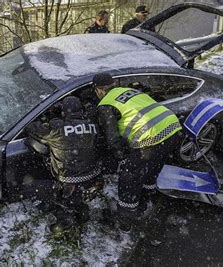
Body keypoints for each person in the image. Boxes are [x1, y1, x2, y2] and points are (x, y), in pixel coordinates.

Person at [92, 72, 182, 232]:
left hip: (150, 138)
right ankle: (147, 199)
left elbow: (113, 140)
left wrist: (122, 157)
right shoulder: (129, 91)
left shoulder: (106, 104)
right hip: (172, 128)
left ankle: (125, 218)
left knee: (129, 176)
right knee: (152, 167)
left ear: (99, 90)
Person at [26, 96, 101, 234]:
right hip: (91, 177)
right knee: (75, 196)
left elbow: (31, 128)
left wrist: (50, 120)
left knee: (30, 188)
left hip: (68, 181)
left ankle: (63, 215)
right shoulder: (92, 126)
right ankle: (79, 209)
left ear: (63, 112)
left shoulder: (57, 128)